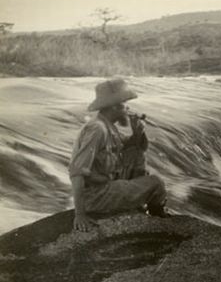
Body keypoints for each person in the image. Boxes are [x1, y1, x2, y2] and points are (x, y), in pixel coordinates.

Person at [69, 78, 168, 232]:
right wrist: (80, 214)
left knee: (136, 151)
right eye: (125, 105)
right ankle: (156, 213)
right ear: (114, 106)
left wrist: (138, 132)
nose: (128, 110)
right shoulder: (97, 129)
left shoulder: (108, 127)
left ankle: (144, 206)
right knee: (156, 183)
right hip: (96, 196)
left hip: (105, 187)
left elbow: (131, 149)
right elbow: (76, 172)